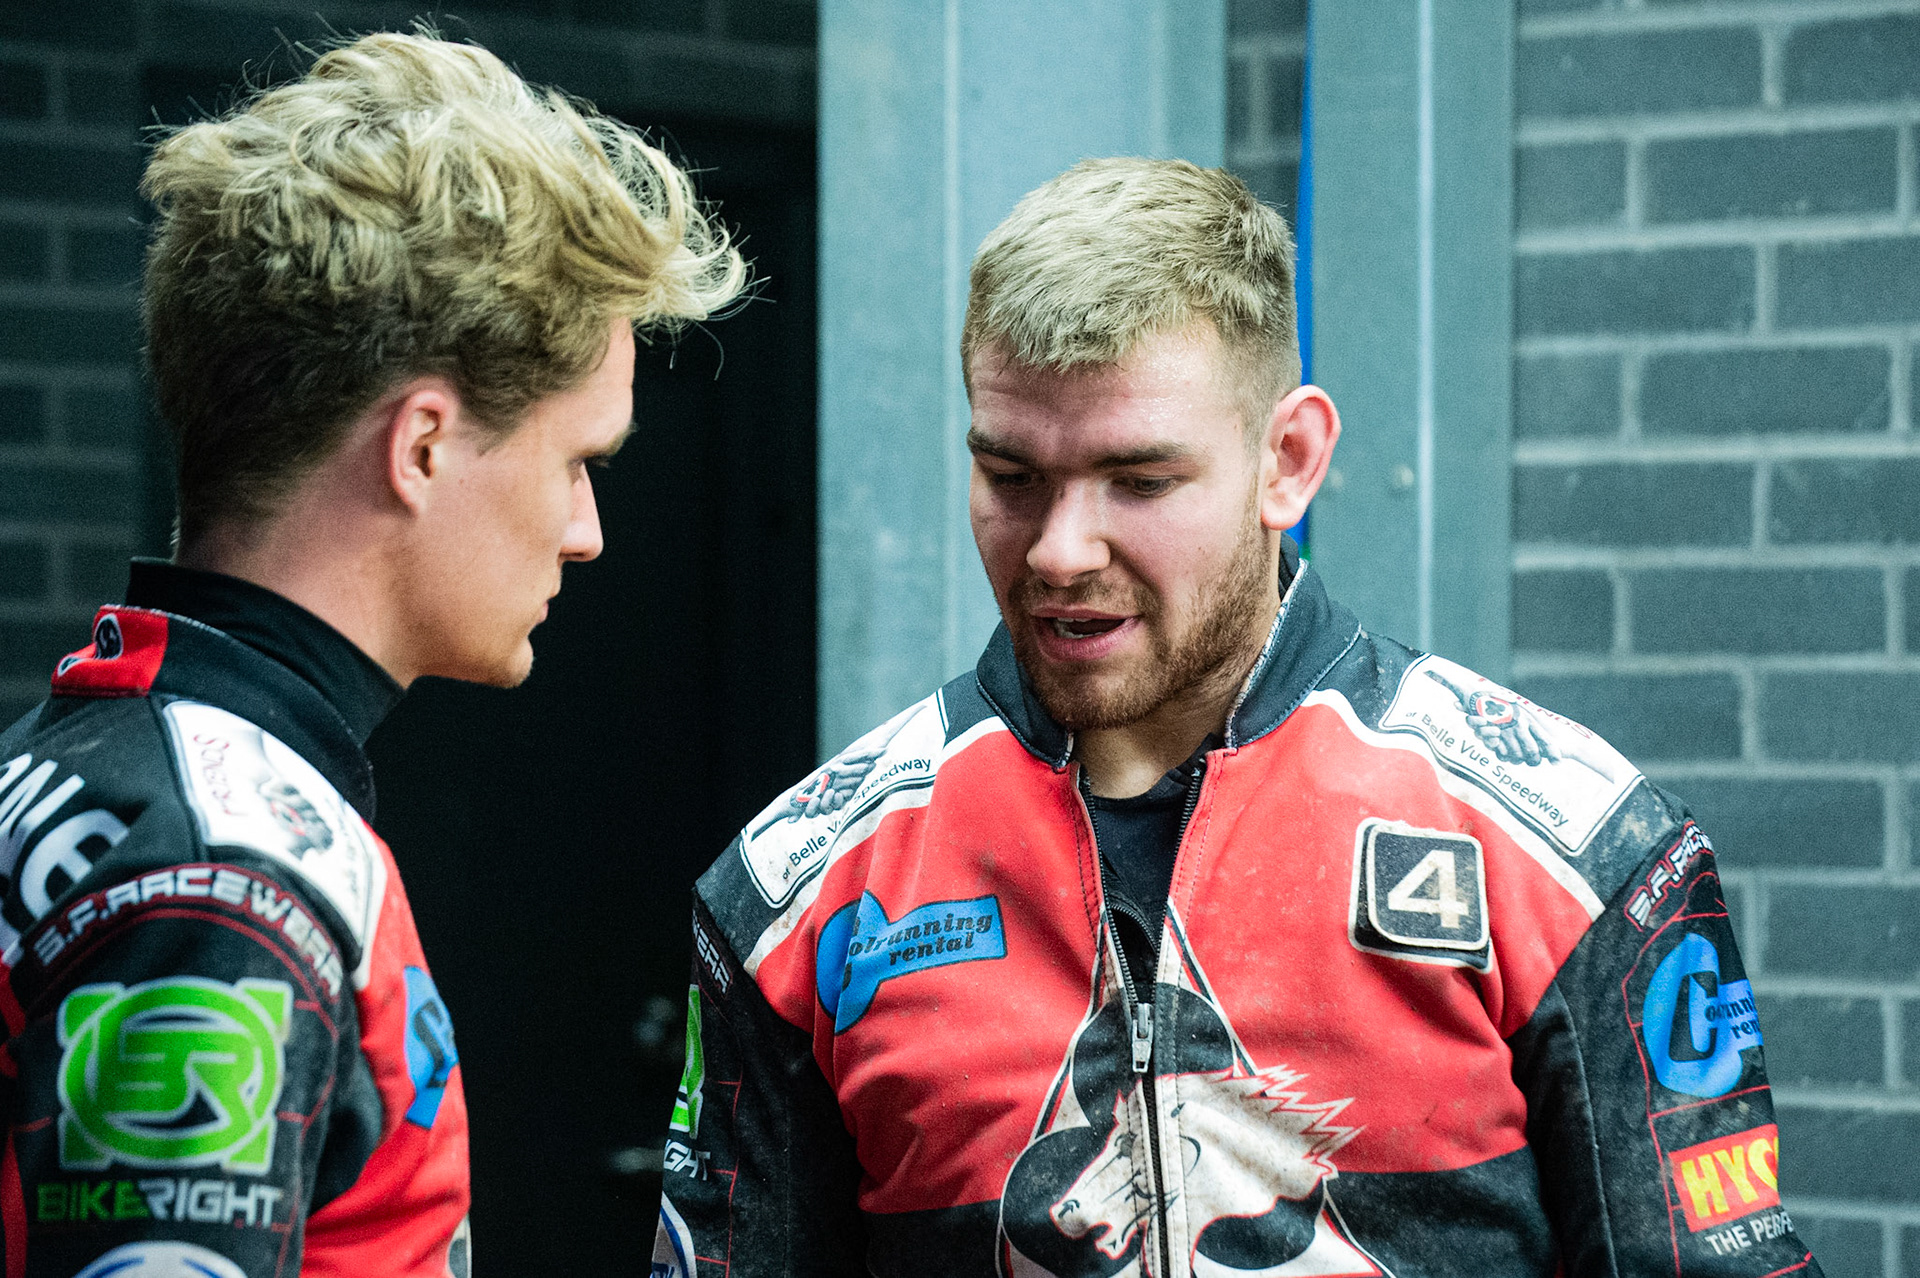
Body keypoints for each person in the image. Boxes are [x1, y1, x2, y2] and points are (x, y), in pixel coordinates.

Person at [655, 159, 1821, 1278]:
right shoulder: (796, 898)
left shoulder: (1574, 854)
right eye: (1012, 477)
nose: (1061, 550)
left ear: (1289, 461)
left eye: (1140, 482)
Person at [0, 31, 742, 1278]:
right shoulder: (222, 869)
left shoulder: (89, 765)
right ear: (425, 446)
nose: (587, 533)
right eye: (577, 464)